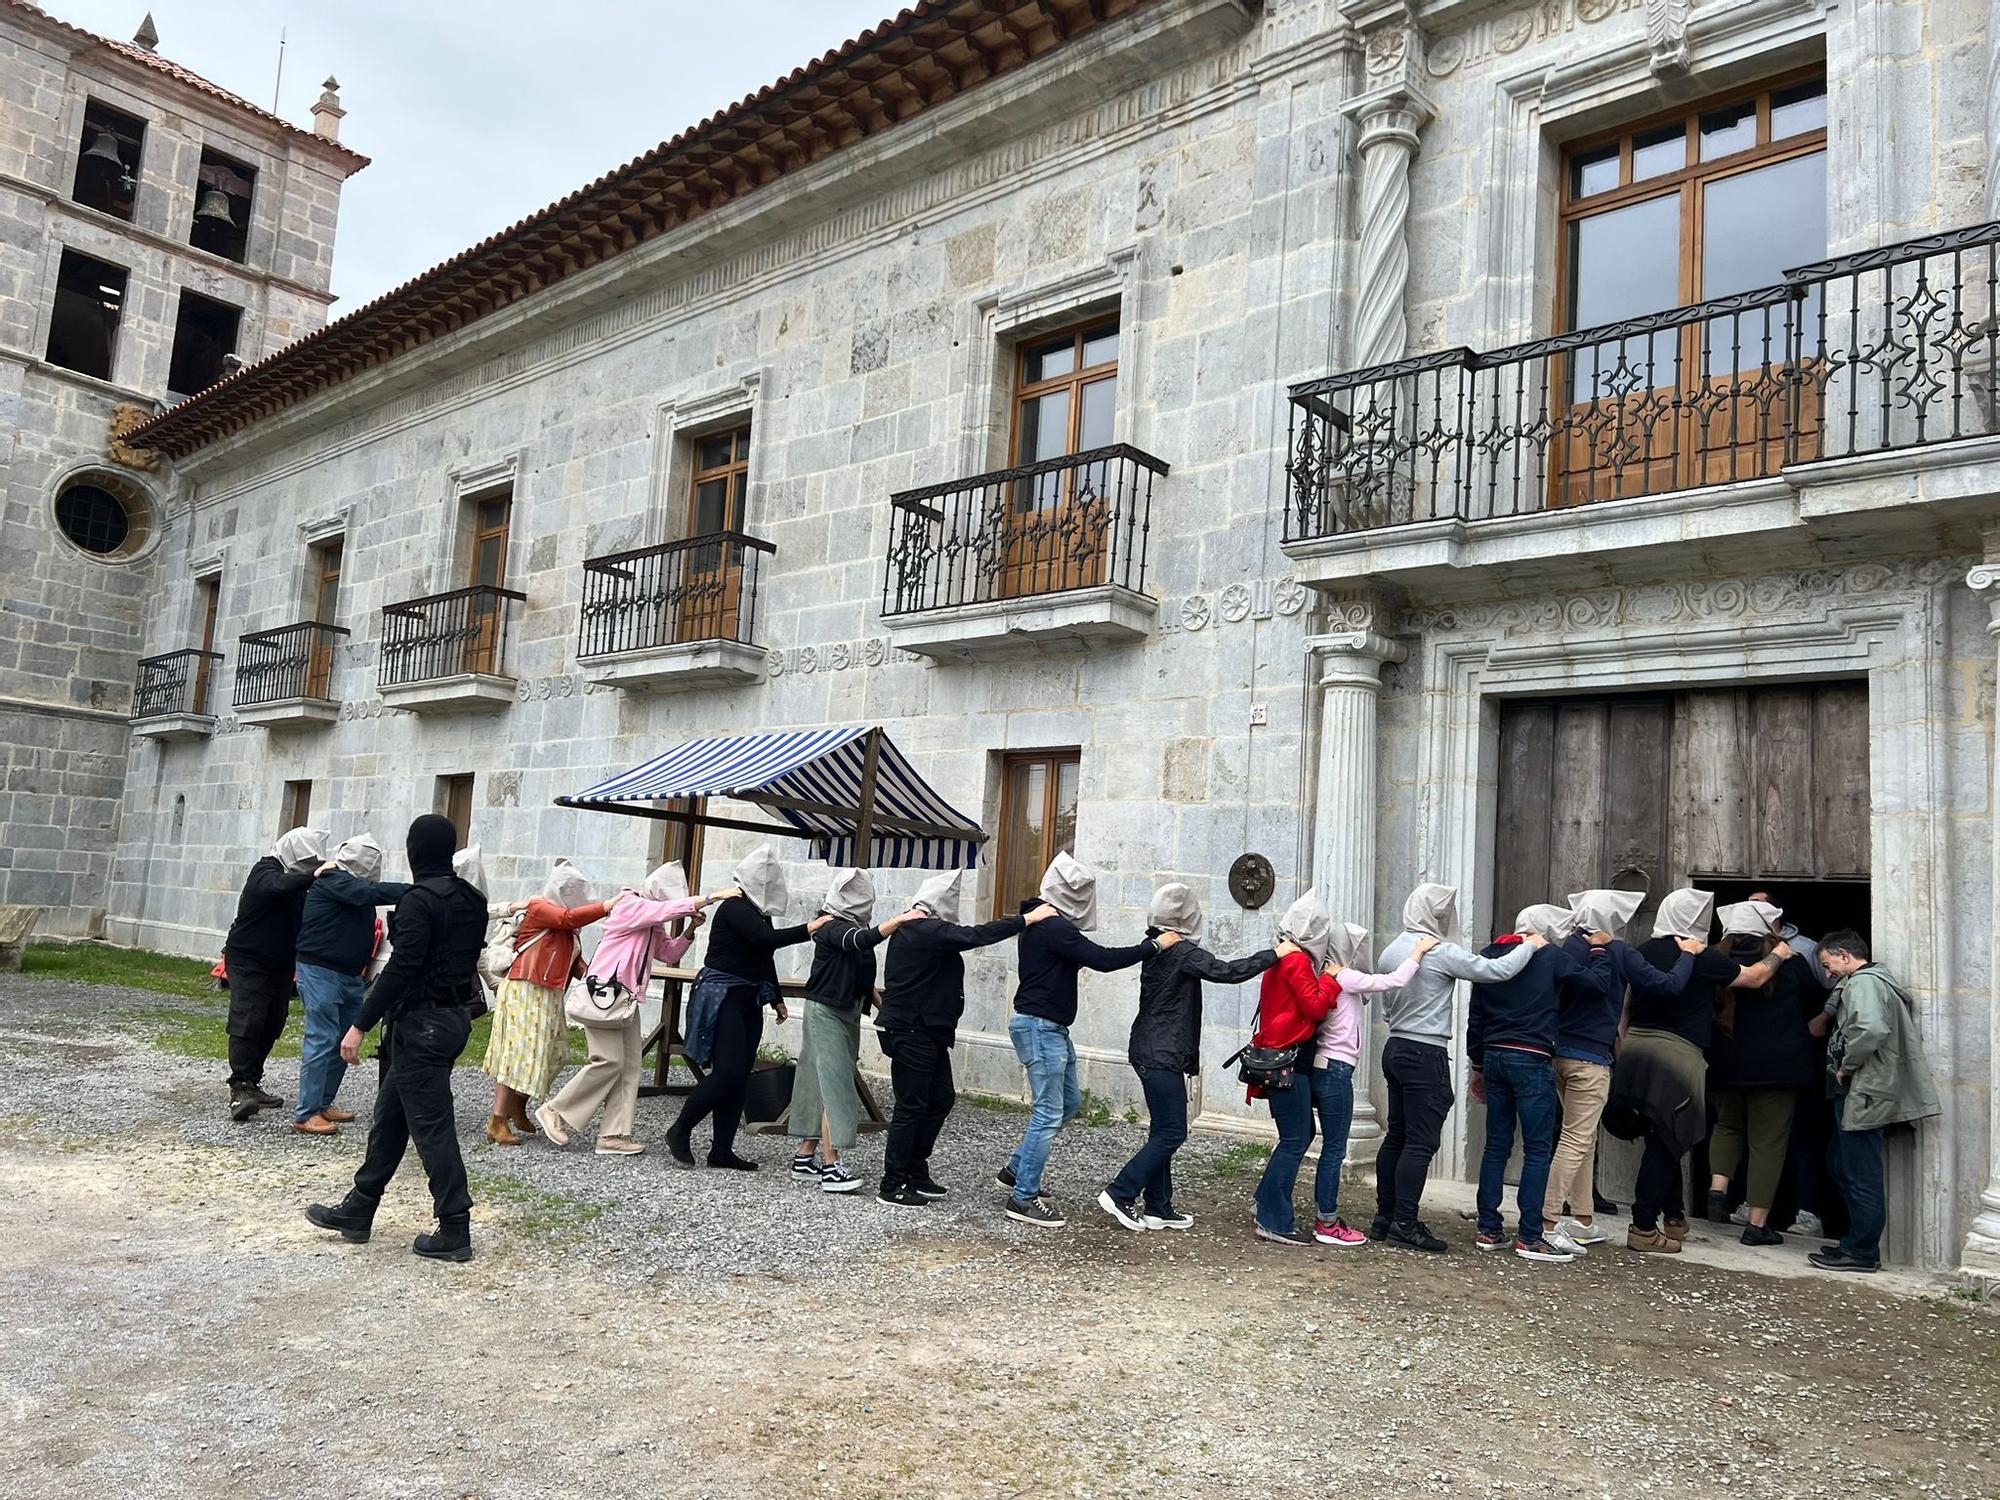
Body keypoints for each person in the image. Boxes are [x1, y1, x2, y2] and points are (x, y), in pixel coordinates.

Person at [304, 814, 491, 1262]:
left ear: (412, 853)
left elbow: (403, 968)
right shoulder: (472, 898)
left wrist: (359, 1024)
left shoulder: (420, 901)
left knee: (432, 1127)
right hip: (451, 1019)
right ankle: (360, 1206)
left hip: (421, 1024)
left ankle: (455, 1226)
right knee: (391, 1116)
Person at [1603, 888, 1789, 1255]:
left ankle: (1674, 1217)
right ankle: (1642, 1226)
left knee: (1662, 1134)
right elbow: (1753, 977)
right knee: (1667, 1139)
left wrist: (1622, 1048)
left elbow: (1625, 1007)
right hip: (1676, 1053)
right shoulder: (1700, 956)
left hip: (1636, 1047)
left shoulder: (1644, 950)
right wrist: (1780, 954)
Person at [1371, 883, 1541, 1253]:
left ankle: (1385, 1217)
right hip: (1424, 1052)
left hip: (1396, 1045)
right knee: (1421, 1141)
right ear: (1436, 915)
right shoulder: (1439, 951)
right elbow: (1496, 970)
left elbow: (1385, 1006)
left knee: (1397, 1136)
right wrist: (1530, 944)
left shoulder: (1391, 950)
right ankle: (1404, 1222)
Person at [1098, 882, 1277, 1233]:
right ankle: (1120, 1192)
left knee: (1162, 1129)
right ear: (1186, 918)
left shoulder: (1157, 945)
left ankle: (1158, 1206)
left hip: (1150, 1048)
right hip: (1161, 1052)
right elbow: (1229, 971)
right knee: (1173, 1131)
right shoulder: (1181, 951)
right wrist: (1273, 954)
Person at [873, 870, 1054, 1207]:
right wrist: (1027, 919)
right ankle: (892, 1183)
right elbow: (976, 935)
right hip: (913, 1029)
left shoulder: (920, 929)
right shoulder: (925, 930)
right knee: (911, 1106)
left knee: (941, 1098)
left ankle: (914, 1169)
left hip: (926, 1029)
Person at [1002, 853, 1155, 1228]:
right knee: (1048, 1112)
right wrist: (1153, 947)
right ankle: (1022, 1197)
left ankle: (1015, 1169)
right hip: (1041, 1028)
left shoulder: (1045, 922)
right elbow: (1101, 959)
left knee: (1067, 1104)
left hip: (1049, 1028)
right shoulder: (1053, 926)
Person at [1544, 888, 1700, 1248]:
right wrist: (1688, 954)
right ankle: (1546, 1219)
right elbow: (1668, 986)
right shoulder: (1617, 951)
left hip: (1560, 1054)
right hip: (1591, 1058)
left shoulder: (1566, 948)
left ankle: (1583, 1218)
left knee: (1580, 1137)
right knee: (1576, 1139)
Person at [667, 845, 826, 1170]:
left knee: (739, 1076)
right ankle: (680, 1129)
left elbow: (761, 955)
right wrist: (808, 929)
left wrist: (775, 997)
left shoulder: (756, 911)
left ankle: (721, 1150)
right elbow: (765, 941)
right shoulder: (734, 908)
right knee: (726, 1073)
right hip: (722, 996)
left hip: (747, 998)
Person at [539, 860, 710, 1156]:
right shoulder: (631, 904)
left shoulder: (650, 917)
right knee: (608, 1061)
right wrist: (712, 897)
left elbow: (667, 953)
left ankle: (613, 1134)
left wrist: (690, 931)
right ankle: (556, 1110)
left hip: (624, 999)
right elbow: (664, 911)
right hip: (604, 994)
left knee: (630, 1065)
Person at [1466, 904, 1603, 1262]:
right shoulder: (1550, 957)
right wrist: (1601, 949)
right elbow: (1595, 985)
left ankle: (1488, 1228)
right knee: (1537, 1148)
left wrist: (1477, 1064)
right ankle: (1529, 1235)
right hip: (1531, 1056)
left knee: (1496, 1146)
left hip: (1494, 1055)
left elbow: (1476, 1015)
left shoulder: (1490, 955)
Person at [1810, 931, 1940, 1273]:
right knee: (1841, 1164)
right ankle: (1855, 1242)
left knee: (1858, 1172)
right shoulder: (1875, 981)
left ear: (1842, 955)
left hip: (1863, 1091)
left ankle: (1863, 1250)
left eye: (1827, 965)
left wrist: (1846, 1066)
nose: (1827, 974)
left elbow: (1870, 1030)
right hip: (1867, 1090)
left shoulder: (1863, 984)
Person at [788, 869, 923, 1193]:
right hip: (825, 1013)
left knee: (822, 1083)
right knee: (835, 1085)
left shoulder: (852, 927)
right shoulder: (831, 926)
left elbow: (861, 974)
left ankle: (805, 1158)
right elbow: (857, 941)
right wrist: (899, 922)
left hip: (845, 1011)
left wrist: (880, 1004)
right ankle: (832, 1167)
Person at [1304, 920, 1434, 1247]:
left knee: (1330, 1147)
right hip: (1335, 1069)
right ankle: (1327, 1220)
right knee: (1334, 1149)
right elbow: (1392, 981)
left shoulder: (1328, 974)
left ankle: (1324, 1215)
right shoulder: (1343, 976)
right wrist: (1418, 951)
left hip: (1326, 1067)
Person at [1705, 899, 1827, 1246]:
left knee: (1727, 1125)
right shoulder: (1790, 962)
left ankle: (1718, 1188)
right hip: (1779, 1067)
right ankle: (1757, 1224)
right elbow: (1817, 999)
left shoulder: (1715, 961)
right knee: (1767, 1143)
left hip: (1727, 1062)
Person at [484, 859, 622, 1146]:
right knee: (517, 1054)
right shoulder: (540, 908)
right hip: (525, 988)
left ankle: (517, 1102)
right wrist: (608, 906)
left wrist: (599, 979)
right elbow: (567, 919)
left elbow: (574, 961)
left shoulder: (568, 928)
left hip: (548, 993)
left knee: (555, 1052)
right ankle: (498, 1119)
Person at [291, 833, 411, 1136]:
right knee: (322, 1038)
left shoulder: (351, 886)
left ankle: (323, 1103)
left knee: (344, 1039)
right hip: (320, 970)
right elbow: (368, 893)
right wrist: (418, 890)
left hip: (348, 974)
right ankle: (306, 1113)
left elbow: (366, 893)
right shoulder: (336, 880)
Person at [221, 825, 328, 1122]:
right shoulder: (266, 870)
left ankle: (252, 1081)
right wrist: (312, 876)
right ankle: (240, 1086)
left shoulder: (297, 883)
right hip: (248, 958)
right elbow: (276, 886)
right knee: (249, 1017)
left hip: (280, 963)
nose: (310, 869)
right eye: (307, 864)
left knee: (272, 1021)